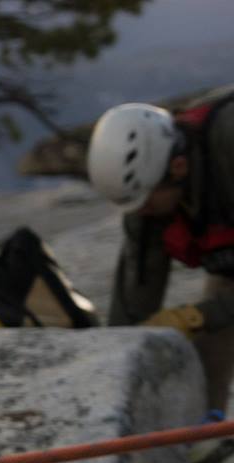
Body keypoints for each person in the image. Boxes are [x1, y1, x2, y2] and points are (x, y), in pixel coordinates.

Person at [88, 97, 234, 411]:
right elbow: (134, 302)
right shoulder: (152, 194)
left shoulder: (227, 149)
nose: (142, 212)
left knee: (213, 316)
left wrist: (199, 315)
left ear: (178, 167)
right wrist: (111, 369)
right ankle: (208, 431)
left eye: (147, 202)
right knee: (209, 346)